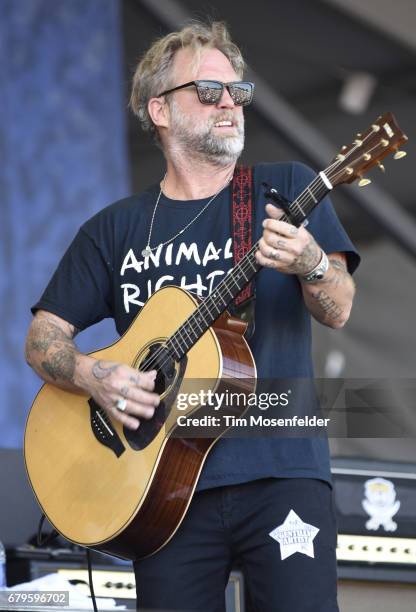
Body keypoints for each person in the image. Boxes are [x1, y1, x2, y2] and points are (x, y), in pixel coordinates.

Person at [25, 21, 359, 612]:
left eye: (238, 92)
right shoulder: (113, 229)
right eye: (208, 91)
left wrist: (310, 265)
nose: (230, 103)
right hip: (157, 490)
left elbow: (339, 307)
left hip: (280, 469)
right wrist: (93, 376)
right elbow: (43, 337)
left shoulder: (283, 189)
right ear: (160, 109)